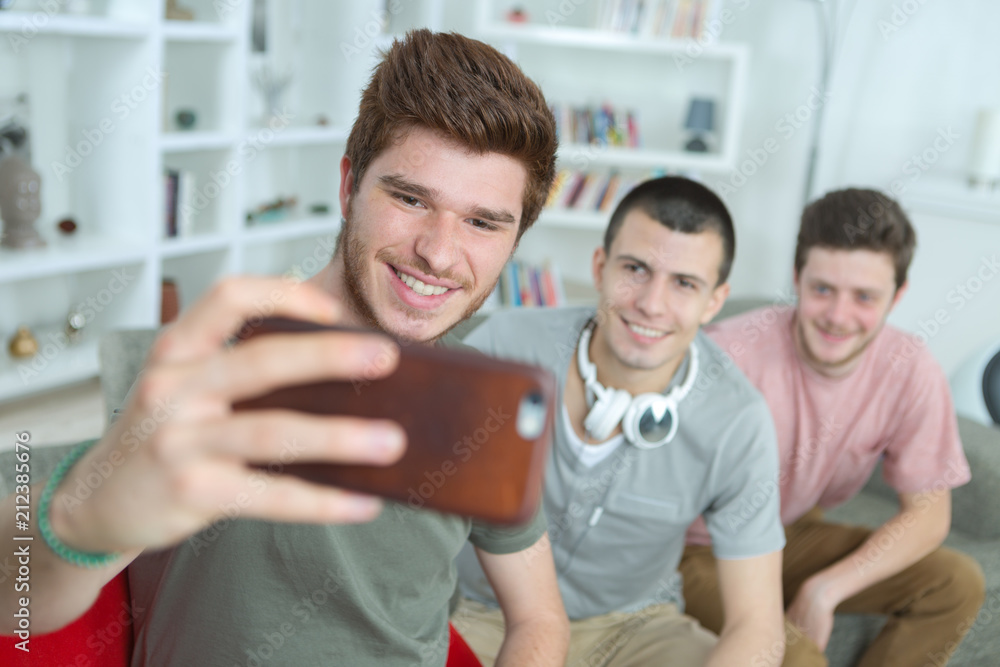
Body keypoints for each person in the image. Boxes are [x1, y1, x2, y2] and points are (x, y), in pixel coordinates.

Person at [0, 30, 570, 666]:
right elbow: (18, 603)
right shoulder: (215, 361)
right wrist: (79, 520)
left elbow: (540, 618)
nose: (438, 252)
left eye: (482, 222)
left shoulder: (478, 402)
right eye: (410, 198)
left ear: (515, 239)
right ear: (350, 186)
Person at [453, 176, 787, 666]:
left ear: (714, 301)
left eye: (684, 284)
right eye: (635, 269)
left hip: (634, 628)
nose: (652, 304)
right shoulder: (504, 348)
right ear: (600, 267)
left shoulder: (739, 421)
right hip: (480, 610)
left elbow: (757, 625)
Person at [680, 187, 986, 666]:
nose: (839, 317)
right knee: (797, 656)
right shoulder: (726, 356)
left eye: (865, 296)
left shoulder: (909, 367)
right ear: (797, 277)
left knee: (956, 583)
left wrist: (827, 589)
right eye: (823, 289)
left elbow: (929, 514)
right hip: (698, 549)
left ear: (897, 295)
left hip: (787, 531)